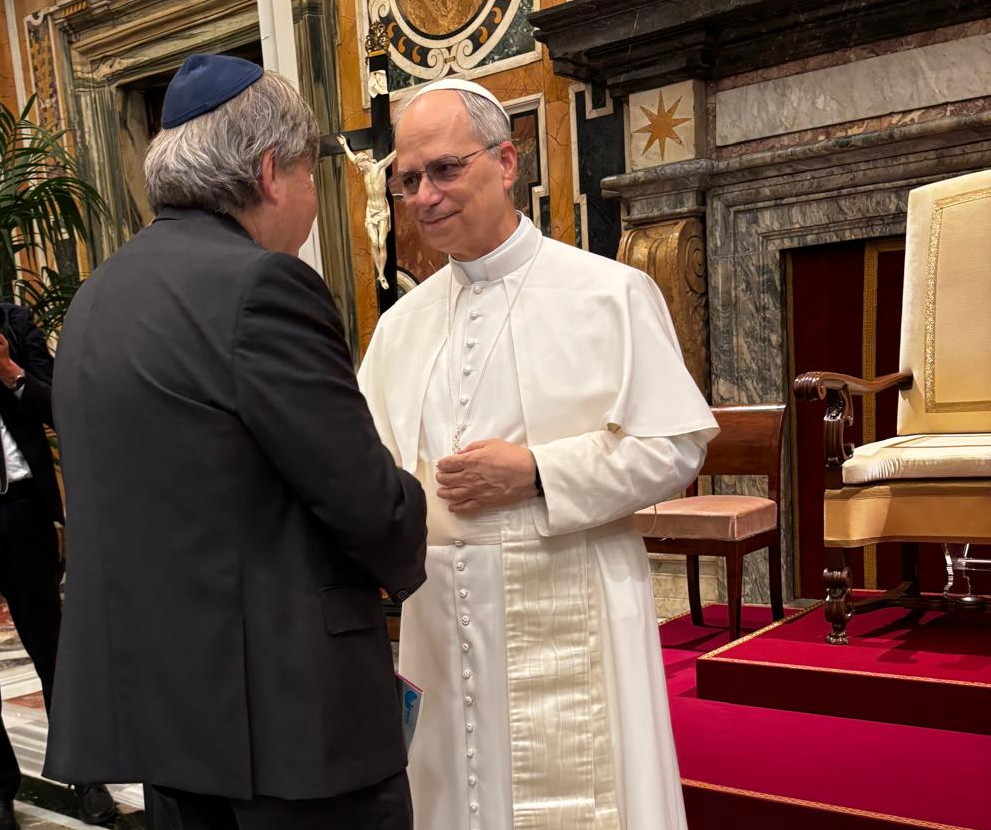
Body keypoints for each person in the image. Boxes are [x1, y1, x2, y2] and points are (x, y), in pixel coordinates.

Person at [43, 54, 427, 830]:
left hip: (170, 722)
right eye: (310, 174)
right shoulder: (261, 286)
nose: (311, 201)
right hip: (290, 728)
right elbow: (364, 501)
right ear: (270, 172)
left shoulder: (97, 295)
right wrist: (412, 506)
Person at [357, 78, 720, 830]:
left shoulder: (609, 293)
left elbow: (675, 445)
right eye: (409, 180)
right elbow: (371, 467)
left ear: (505, 161)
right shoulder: (399, 328)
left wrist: (538, 472)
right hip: (440, 616)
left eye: (445, 169)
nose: (425, 196)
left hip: (573, 586)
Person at [0, 305, 115, 829]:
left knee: (53, 648)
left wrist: (9, 371)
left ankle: (85, 771)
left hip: (22, 510)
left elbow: (59, 404)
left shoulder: (13, 325)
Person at [338, 134, 397, 289]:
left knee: (382, 243)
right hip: (370, 211)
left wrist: (402, 141)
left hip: (381, 210)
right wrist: (344, 145)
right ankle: (380, 274)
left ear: (366, 161)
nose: (358, 167)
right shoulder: (365, 171)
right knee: (374, 242)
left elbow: (393, 155)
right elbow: (352, 159)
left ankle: (382, 274)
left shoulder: (379, 167)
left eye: (360, 164)